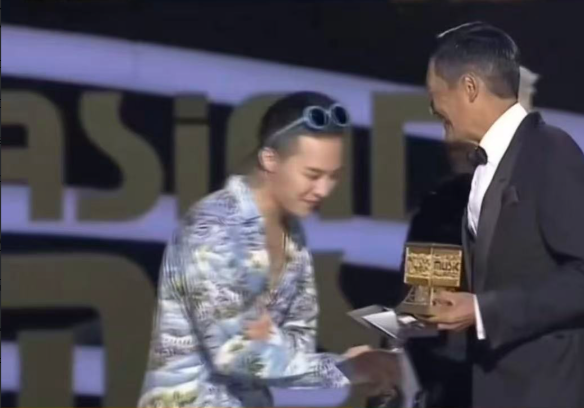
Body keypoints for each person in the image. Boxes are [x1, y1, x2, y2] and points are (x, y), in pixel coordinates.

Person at [138, 92, 400, 407]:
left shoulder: (294, 237)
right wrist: (347, 368)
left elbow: (297, 343)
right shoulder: (214, 225)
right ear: (270, 160)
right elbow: (233, 355)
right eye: (312, 175)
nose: (324, 189)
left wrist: (270, 342)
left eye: (334, 176)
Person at [418, 22, 584, 407]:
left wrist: (483, 311)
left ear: (469, 87)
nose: (432, 107)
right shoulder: (475, 175)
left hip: (549, 393)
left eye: (435, 93)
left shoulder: (550, 152)